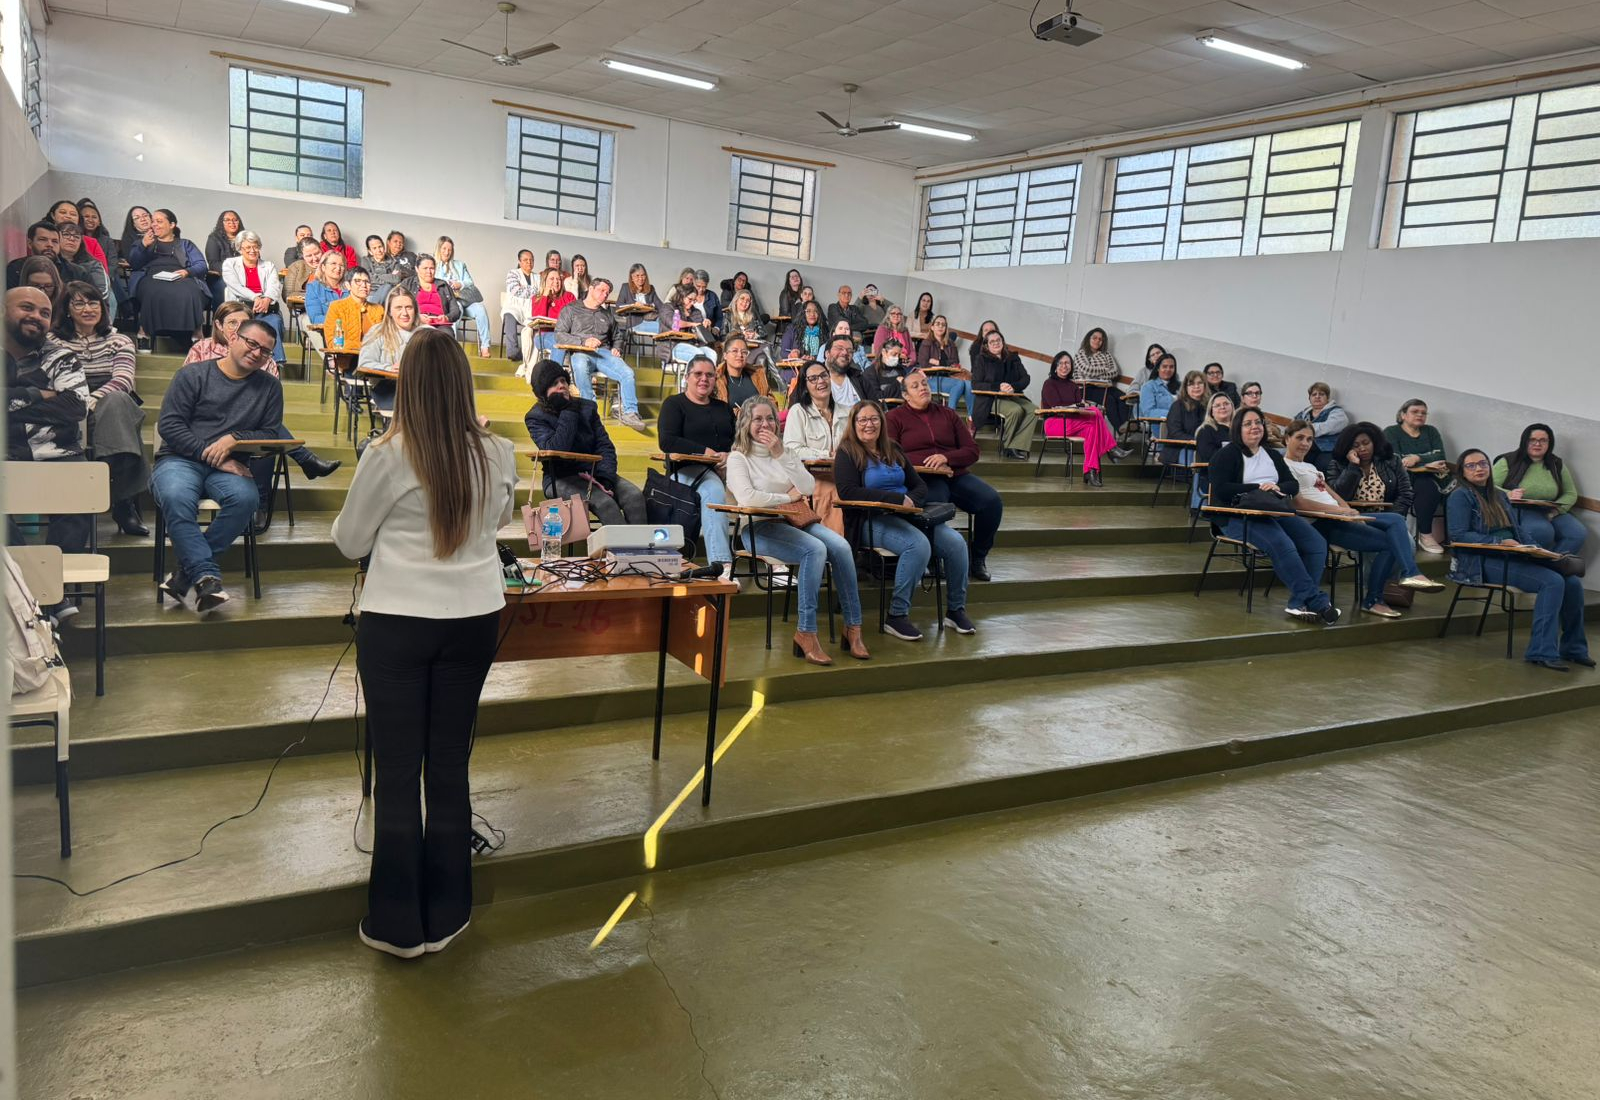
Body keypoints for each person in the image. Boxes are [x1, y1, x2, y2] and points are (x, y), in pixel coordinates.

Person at [331, 326, 517, 958]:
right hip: (473, 619)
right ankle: (449, 910)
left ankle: (396, 924)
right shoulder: (499, 452)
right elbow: (496, 525)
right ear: (464, 385)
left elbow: (350, 542)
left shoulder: (387, 454)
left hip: (399, 624)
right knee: (448, 763)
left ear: (405, 385)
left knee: (399, 766)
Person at [151, 316, 285, 611]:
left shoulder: (270, 387)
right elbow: (170, 425)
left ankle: (189, 574)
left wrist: (233, 440)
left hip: (230, 465)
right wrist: (210, 453)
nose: (257, 353)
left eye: (265, 351)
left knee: (246, 498)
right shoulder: (193, 375)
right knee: (175, 496)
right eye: (252, 343)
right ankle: (205, 575)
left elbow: (271, 432)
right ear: (233, 337)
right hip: (179, 459)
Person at [726, 395, 867, 665]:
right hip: (759, 528)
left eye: (770, 418)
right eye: (758, 419)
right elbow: (748, 499)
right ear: (745, 423)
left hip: (795, 520)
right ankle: (806, 632)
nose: (765, 424)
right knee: (815, 550)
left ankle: (853, 628)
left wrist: (781, 455)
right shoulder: (738, 458)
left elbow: (806, 487)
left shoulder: (783, 453)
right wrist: (787, 498)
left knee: (841, 546)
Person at [834, 400, 975, 641]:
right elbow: (848, 491)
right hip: (871, 520)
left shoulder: (893, 449)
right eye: (863, 420)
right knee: (917, 545)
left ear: (882, 421)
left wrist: (909, 499)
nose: (869, 424)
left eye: (874, 419)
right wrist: (896, 498)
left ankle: (956, 610)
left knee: (956, 543)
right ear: (854, 424)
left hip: (907, 515)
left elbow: (919, 485)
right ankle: (897, 616)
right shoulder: (848, 452)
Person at [1450, 448, 1591, 671]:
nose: (1478, 469)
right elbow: (1458, 535)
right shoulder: (1460, 496)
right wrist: (1498, 542)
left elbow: (1518, 531)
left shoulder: (1498, 495)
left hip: (1515, 554)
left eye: (1483, 464)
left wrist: (1536, 548)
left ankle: (1573, 649)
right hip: (1481, 561)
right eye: (1471, 465)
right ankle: (1540, 652)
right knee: (1552, 582)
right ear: (1462, 471)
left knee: (1571, 581)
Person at [1284, 420, 1441, 619]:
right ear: (1287, 438)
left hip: (1339, 517)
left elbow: (1330, 492)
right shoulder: (1283, 466)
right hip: (1319, 522)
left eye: (1309, 439)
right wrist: (1340, 511)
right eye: (1299, 438)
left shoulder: (1309, 465)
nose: (1305, 443)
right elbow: (1298, 503)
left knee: (1394, 524)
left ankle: (1400, 580)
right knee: (1393, 532)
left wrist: (1348, 510)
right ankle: (1387, 590)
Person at [186, 301, 341, 494]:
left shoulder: (263, 358)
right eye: (232, 323)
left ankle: (260, 503)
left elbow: (268, 404)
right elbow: (188, 394)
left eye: (243, 324)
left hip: (248, 422)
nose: (237, 329)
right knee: (272, 430)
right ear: (218, 325)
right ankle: (304, 459)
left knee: (268, 433)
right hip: (209, 422)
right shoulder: (202, 350)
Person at [1207, 407, 1339, 624]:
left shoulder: (1271, 454)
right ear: (1237, 428)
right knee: (1282, 544)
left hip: (1275, 510)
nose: (1254, 427)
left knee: (1316, 543)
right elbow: (1221, 489)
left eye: (1258, 422)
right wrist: (1256, 487)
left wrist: (1276, 487)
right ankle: (1317, 602)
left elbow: (1293, 485)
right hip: (1237, 515)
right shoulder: (1225, 455)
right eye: (1248, 423)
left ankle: (1298, 603)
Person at [6, 287, 91, 621]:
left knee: (81, 485)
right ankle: (34, 590)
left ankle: (53, 589)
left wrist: (9, 402)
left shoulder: (61, 357)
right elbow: (58, 402)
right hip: (6, 458)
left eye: (44, 312)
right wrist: (37, 393)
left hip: (57, 455)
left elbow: (74, 407)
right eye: (26, 307)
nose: (36, 317)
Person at [53, 282, 148, 535]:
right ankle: (121, 499)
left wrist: (93, 399)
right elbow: (50, 378)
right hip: (65, 404)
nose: (88, 309)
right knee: (118, 424)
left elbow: (124, 379)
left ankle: (120, 501)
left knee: (117, 403)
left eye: (93, 302)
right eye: (79, 303)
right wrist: (78, 401)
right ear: (66, 309)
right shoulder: (52, 341)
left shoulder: (119, 340)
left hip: (108, 401)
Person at [889, 370, 1001, 580]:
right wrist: (928, 464)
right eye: (915, 386)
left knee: (992, 502)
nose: (923, 387)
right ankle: (931, 557)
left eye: (924, 383)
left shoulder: (947, 414)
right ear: (905, 395)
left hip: (953, 473)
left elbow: (972, 450)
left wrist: (946, 458)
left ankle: (977, 558)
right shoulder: (894, 418)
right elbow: (892, 455)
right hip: (921, 478)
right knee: (935, 504)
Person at [524, 358, 646, 526]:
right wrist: (569, 410)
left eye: (563, 380)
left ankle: (640, 549)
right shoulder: (536, 417)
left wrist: (605, 477)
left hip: (596, 472)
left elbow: (605, 446)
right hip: (561, 477)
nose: (562, 385)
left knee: (634, 497)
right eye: (554, 384)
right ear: (542, 392)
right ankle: (622, 550)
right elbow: (558, 448)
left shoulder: (587, 408)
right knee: (605, 504)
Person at [658, 355, 735, 576]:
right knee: (713, 489)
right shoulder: (674, 404)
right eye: (698, 374)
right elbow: (667, 441)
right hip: (686, 469)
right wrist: (705, 452)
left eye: (709, 375)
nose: (704, 379)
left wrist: (729, 456)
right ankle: (722, 565)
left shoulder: (723, 408)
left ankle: (774, 562)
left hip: (725, 467)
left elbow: (737, 439)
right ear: (687, 377)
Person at [554, 277, 646, 431]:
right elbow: (559, 334)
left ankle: (630, 412)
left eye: (607, 292)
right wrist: (583, 341)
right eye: (602, 291)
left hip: (604, 353)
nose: (605, 295)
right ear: (591, 289)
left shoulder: (607, 314)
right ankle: (589, 410)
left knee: (627, 373)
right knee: (580, 365)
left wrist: (618, 348)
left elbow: (618, 336)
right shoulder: (571, 309)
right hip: (581, 351)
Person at [1494, 424, 1585, 555]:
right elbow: (1488, 486)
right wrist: (1508, 494)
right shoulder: (1508, 461)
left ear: (1549, 443)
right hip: (1521, 509)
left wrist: (1556, 511)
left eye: (1543, 440)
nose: (1537, 444)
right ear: (1524, 441)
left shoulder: (1556, 464)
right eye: (1532, 440)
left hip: (1551, 510)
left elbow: (1570, 493)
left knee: (1577, 534)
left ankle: (1553, 568)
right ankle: (1540, 571)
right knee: (1542, 532)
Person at [125, 208, 210, 347]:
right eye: (153, 222)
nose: (154, 225)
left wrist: (187, 272)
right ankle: (144, 333)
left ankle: (197, 333)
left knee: (192, 291)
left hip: (181, 276)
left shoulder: (185, 244)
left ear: (172, 225)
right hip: (151, 276)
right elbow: (134, 264)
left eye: (159, 221)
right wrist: (143, 245)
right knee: (151, 290)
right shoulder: (144, 242)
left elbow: (201, 264)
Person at [1040, 352, 1121, 487]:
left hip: (1073, 422)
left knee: (1092, 428)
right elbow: (1055, 405)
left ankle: (1090, 471)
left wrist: (1083, 406)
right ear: (1055, 365)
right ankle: (1111, 448)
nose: (1064, 366)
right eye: (1061, 363)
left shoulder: (1073, 385)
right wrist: (1078, 407)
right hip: (1054, 423)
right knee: (1095, 412)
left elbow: (1079, 405)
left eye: (1067, 363)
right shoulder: (1049, 383)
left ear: (1071, 366)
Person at [1383, 399, 1449, 554]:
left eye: (1423, 413)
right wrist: (1427, 460)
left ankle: (1454, 539)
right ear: (1403, 415)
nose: (1420, 415)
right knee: (1427, 487)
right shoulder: (1391, 432)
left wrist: (1417, 459)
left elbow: (1440, 455)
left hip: (1434, 476)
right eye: (1415, 412)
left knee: (1457, 491)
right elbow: (1396, 458)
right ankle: (1425, 535)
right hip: (1402, 477)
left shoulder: (1431, 431)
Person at [219, 230, 285, 364]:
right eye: (248, 247)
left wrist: (266, 299)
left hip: (265, 308)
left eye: (255, 246)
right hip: (241, 307)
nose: (252, 250)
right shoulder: (229, 264)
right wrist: (256, 297)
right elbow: (234, 286)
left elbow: (274, 286)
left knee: (274, 322)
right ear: (240, 249)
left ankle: (275, 363)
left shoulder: (268, 266)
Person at [970, 328, 1036, 460]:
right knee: (1015, 410)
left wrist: (1013, 387)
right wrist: (998, 387)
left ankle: (1016, 445)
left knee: (1034, 410)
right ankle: (1008, 446)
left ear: (1003, 342)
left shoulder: (1013, 358)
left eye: (998, 340)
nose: (995, 343)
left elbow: (1025, 378)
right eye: (992, 341)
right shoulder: (981, 359)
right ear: (986, 345)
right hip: (990, 398)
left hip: (1012, 395)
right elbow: (976, 384)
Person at [357, 287, 421, 413]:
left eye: (409, 307)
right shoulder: (378, 332)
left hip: (420, 387)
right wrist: (389, 368)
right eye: (398, 308)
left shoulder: (425, 333)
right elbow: (364, 364)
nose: (404, 313)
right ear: (390, 311)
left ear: (415, 310)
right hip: (388, 387)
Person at [434, 236, 494, 358]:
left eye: (450, 249)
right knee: (457, 308)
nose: (447, 252)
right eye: (444, 248)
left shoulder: (460, 265)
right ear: (439, 249)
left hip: (464, 299)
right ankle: (452, 346)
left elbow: (469, 282)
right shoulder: (434, 266)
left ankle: (485, 346)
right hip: (450, 302)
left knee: (480, 308)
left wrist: (460, 284)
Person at [320, 267, 385, 369]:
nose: (363, 285)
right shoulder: (337, 307)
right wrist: (364, 346)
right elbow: (334, 343)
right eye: (358, 281)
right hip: (349, 361)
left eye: (366, 282)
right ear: (348, 285)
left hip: (376, 361)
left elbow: (383, 341)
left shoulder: (378, 309)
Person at [518, 267, 574, 376]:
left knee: (561, 340)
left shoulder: (569, 296)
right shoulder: (537, 298)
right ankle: (554, 377)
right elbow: (539, 318)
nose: (556, 282)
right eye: (551, 279)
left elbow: (574, 318)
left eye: (558, 279)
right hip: (543, 335)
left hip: (566, 335)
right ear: (545, 281)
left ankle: (553, 378)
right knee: (559, 341)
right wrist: (545, 296)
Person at [915, 313, 972, 418]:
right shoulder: (926, 343)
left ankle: (971, 418)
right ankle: (950, 415)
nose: (941, 326)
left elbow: (955, 362)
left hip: (949, 377)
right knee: (959, 384)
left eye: (943, 324)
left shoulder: (951, 344)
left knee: (968, 384)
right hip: (932, 378)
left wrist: (938, 363)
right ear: (932, 327)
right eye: (938, 324)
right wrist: (946, 364)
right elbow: (924, 364)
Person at [1072, 327, 1126, 430]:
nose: (1097, 341)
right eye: (1094, 338)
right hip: (1086, 388)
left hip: (1104, 387)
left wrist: (1096, 373)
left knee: (1123, 397)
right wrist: (1105, 369)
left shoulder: (1106, 354)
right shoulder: (1081, 353)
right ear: (1089, 338)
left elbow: (1114, 372)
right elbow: (1086, 370)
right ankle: (1120, 430)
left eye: (1100, 339)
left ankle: (1125, 428)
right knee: (1109, 400)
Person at [1295, 382, 1348, 473]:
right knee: (1297, 463)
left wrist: (1306, 429)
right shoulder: (1304, 413)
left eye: (1321, 394)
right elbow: (1293, 427)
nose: (1317, 396)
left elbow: (1330, 426)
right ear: (1310, 398)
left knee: (1322, 466)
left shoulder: (1337, 411)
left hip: (1327, 450)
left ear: (1327, 398)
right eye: (1314, 394)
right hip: (1307, 447)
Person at [56, 223, 112, 304]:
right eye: (66, 234)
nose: (72, 239)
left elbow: (102, 293)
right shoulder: (50, 262)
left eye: (76, 236)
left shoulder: (93, 265)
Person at [401, 255, 461, 332]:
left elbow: (455, 310)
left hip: (440, 325)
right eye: (425, 268)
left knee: (447, 333)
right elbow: (399, 307)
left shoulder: (443, 285)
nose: (429, 272)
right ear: (417, 269)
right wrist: (417, 317)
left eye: (431, 268)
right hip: (415, 323)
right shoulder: (407, 284)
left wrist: (446, 318)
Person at [49, 199, 109, 271]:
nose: (68, 216)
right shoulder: (44, 236)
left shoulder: (91, 242)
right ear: (53, 215)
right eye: (63, 212)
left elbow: (102, 270)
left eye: (73, 214)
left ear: (78, 218)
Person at [502, 249, 539, 362]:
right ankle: (512, 351)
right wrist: (535, 290)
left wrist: (527, 290)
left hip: (531, 308)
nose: (529, 262)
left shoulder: (538, 277)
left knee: (536, 322)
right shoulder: (513, 273)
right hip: (515, 306)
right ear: (519, 261)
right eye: (525, 260)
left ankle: (530, 353)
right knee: (509, 314)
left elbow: (542, 293)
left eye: (531, 260)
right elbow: (515, 290)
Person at [715, 335, 769, 409]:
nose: (740, 355)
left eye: (744, 352)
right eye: (735, 351)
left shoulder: (758, 374)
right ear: (725, 355)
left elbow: (770, 400)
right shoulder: (716, 378)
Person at [203, 209, 244, 304]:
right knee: (224, 287)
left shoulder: (245, 238)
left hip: (243, 276)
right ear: (222, 223)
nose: (232, 223)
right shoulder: (214, 238)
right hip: (220, 277)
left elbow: (254, 258)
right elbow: (213, 263)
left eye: (235, 220)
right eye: (228, 220)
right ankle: (222, 316)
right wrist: (233, 272)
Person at [725, 288, 773, 366]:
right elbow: (723, 336)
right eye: (742, 299)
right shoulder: (728, 315)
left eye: (748, 301)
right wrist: (741, 335)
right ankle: (779, 377)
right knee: (767, 347)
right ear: (736, 300)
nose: (745, 302)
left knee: (762, 357)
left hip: (752, 348)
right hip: (737, 348)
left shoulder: (753, 315)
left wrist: (755, 335)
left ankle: (751, 374)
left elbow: (764, 333)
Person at [304, 250, 348, 326]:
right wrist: (341, 321)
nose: (338, 268)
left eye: (342, 265)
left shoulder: (350, 287)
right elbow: (316, 318)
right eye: (333, 264)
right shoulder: (314, 288)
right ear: (323, 267)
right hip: (328, 331)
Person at [620, 263, 663, 339]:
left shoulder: (651, 288)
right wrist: (633, 305)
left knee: (668, 323)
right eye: (637, 276)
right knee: (664, 327)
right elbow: (618, 307)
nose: (640, 278)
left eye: (643, 275)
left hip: (652, 320)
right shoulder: (625, 287)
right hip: (635, 323)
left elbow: (661, 307)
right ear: (632, 277)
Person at [1238, 380, 1284, 448]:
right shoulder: (1239, 415)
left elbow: (1277, 430)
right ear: (1242, 398)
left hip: (1272, 444)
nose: (1254, 396)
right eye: (1250, 393)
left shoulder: (1259, 412)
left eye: (1257, 393)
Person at [1194, 391, 1235, 466]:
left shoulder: (1240, 428)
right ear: (1211, 411)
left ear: (1232, 407)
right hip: (1216, 471)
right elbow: (1209, 456)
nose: (1222, 407)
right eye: (1217, 405)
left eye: (1226, 404)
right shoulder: (1205, 431)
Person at [1140, 353, 1179, 421]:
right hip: (1161, 426)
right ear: (1158, 368)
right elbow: (1149, 412)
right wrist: (1173, 414)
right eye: (1164, 366)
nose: (1168, 369)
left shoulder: (1181, 386)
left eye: (1171, 367)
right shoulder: (1148, 387)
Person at [282, 238, 324, 302]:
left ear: (321, 250)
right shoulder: (296, 267)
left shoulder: (331, 264)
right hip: (301, 309)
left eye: (317, 253)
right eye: (309, 256)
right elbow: (287, 296)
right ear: (302, 256)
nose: (315, 258)